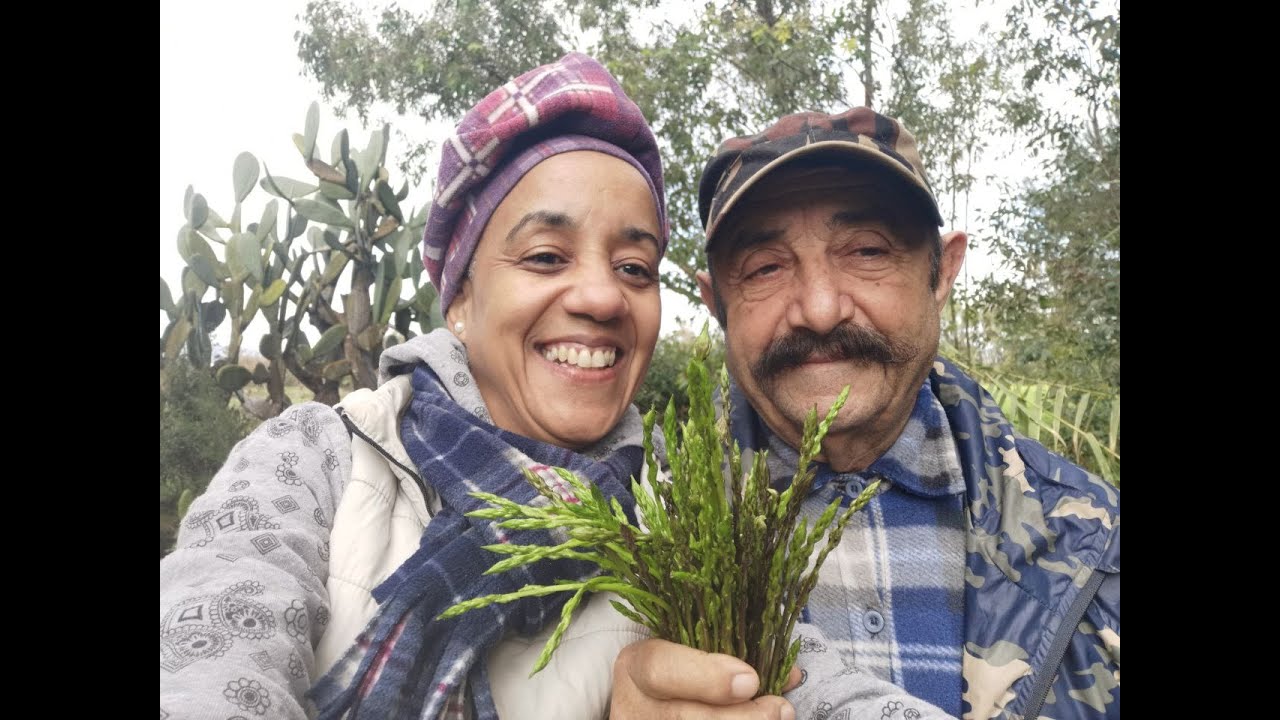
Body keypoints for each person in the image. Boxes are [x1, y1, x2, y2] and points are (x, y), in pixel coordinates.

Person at [161, 52, 670, 720]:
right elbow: (211, 653)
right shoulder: (316, 457)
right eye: (546, 256)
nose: (605, 296)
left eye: (636, 267)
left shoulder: (683, 516)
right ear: (459, 296)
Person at [610, 109, 1120, 719]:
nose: (820, 310)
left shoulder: (1096, 539)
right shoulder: (636, 527)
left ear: (942, 272)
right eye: (766, 266)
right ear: (716, 300)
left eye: (868, 250)